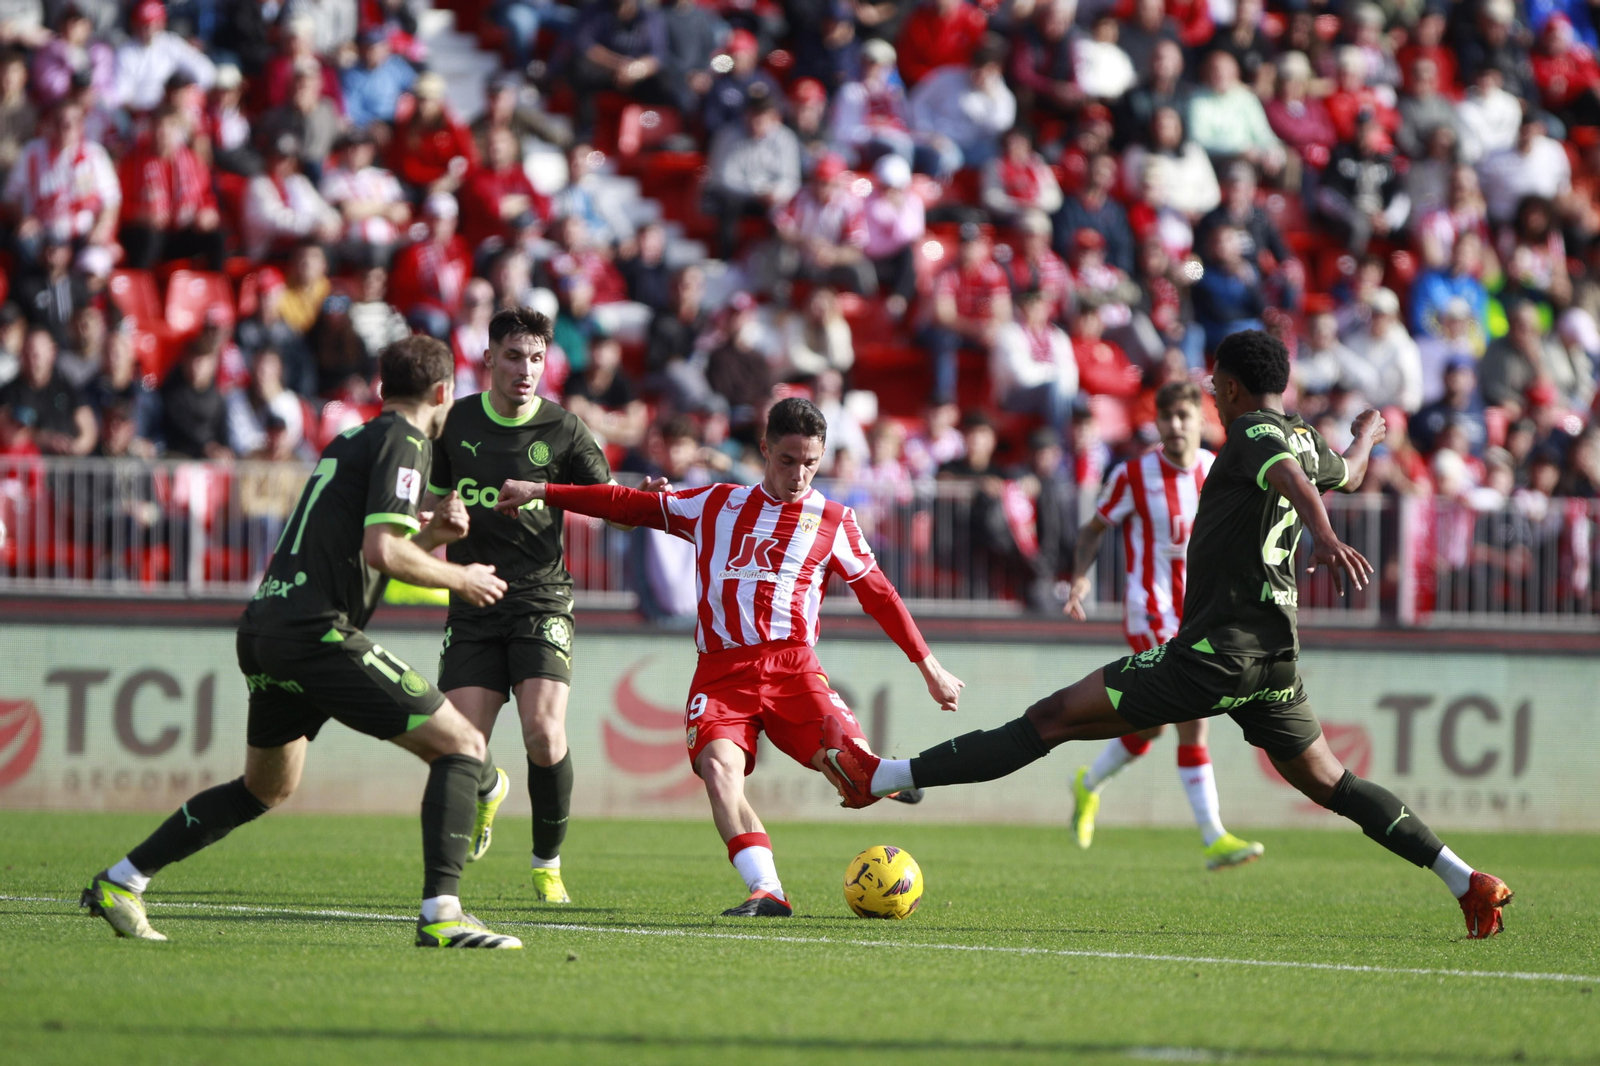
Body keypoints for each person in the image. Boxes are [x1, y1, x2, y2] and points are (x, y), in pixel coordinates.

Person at [828, 330, 1515, 940]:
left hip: (1214, 655)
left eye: (1216, 383)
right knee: (1333, 783)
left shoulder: (1254, 434)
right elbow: (1350, 471)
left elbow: (1283, 475)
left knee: (1051, 718)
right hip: (1275, 665)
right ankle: (1466, 880)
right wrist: (1367, 433)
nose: (1214, 395)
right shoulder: (1306, 436)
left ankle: (884, 777)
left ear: (1237, 386)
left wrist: (1327, 534)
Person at [81, 335, 525, 949]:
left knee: (265, 787)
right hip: (315, 632)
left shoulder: (352, 439)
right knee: (463, 745)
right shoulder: (409, 440)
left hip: (267, 627)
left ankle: (122, 881)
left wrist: (433, 538)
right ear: (445, 393)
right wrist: (462, 574)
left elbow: (368, 557)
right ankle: (443, 912)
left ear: (379, 387)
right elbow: (382, 553)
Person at [493, 397, 965, 915]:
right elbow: (625, 503)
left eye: (811, 462)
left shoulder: (835, 520)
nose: (800, 473)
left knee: (854, 771)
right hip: (721, 673)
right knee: (720, 771)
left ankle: (889, 779)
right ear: (764, 450)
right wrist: (540, 490)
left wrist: (929, 666)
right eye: (787, 460)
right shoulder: (714, 504)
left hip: (793, 667)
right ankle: (768, 891)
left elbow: (881, 595)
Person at [421, 309, 622, 904]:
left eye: (536, 358)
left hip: (541, 597)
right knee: (456, 746)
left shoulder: (564, 430)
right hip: (473, 596)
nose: (525, 370)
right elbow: (428, 511)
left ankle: (546, 863)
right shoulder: (453, 424)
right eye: (513, 356)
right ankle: (486, 788)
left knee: (542, 730)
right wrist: (437, 528)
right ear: (487, 359)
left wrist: (551, 491)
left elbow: (607, 502)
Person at [1061, 379, 1265, 868]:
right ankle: (1214, 836)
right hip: (1150, 612)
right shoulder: (1133, 475)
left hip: (1202, 613)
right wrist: (1079, 579)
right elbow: (1093, 530)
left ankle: (1088, 783)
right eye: (1167, 417)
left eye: (1184, 417)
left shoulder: (1216, 470)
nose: (1175, 426)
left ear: (1202, 421)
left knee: (1148, 728)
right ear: (1156, 422)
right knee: (1193, 720)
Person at [0, 325, 97, 455]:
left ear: (52, 352)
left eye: (38, 353)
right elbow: (6, 430)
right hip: (26, 470)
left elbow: (87, 427)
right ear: (22, 353)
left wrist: (75, 447)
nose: (34, 359)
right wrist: (43, 439)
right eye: (30, 351)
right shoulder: (9, 392)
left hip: (63, 470)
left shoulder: (66, 388)